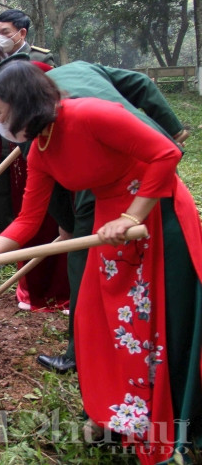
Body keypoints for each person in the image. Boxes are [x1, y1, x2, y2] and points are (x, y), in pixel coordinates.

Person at [0, 61, 202, 463]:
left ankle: (171, 422)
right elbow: (28, 220)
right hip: (109, 220)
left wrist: (132, 216)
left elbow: (166, 153)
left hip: (154, 212)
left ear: (21, 104)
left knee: (154, 321)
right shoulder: (39, 150)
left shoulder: (88, 114)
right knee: (98, 322)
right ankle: (122, 413)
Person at [37, 61, 189, 374]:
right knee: (135, 267)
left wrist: (69, 231)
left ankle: (81, 352)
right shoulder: (79, 68)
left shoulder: (39, 115)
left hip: (122, 169)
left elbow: (53, 191)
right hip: (146, 159)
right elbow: (142, 84)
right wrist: (174, 129)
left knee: (86, 263)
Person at [0, 41, 69, 312]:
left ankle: (67, 293)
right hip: (28, 174)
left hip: (71, 171)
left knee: (64, 226)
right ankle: (38, 293)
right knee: (38, 227)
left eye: (0, 112)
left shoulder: (68, 109)